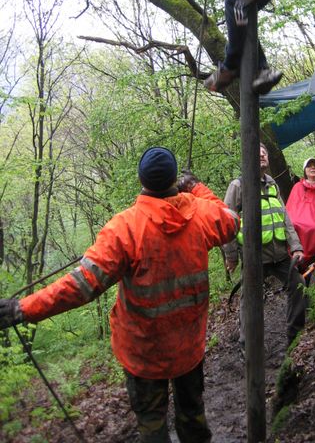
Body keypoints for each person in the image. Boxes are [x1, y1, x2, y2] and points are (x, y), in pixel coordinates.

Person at [0, 147, 239, 443]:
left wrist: (23, 309)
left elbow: (80, 285)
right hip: (188, 347)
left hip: (143, 354)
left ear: (142, 180)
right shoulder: (199, 214)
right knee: (193, 415)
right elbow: (230, 219)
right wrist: (196, 187)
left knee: (152, 424)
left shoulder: (124, 228)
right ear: (175, 179)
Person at [223, 143, 306, 346]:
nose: (261, 154)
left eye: (264, 152)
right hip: (254, 257)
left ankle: (294, 339)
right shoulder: (238, 186)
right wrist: (231, 256)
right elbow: (227, 223)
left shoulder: (272, 184)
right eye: (257, 152)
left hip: (279, 254)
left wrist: (296, 246)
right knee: (250, 300)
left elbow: (283, 216)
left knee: (299, 286)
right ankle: (247, 344)